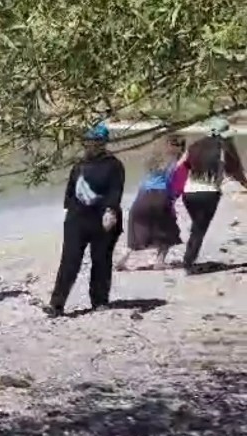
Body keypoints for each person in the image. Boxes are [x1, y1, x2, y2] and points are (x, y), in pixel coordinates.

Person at [46, 123, 125, 317]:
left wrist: (111, 211)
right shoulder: (79, 165)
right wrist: (69, 213)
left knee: (101, 261)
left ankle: (99, 301)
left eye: (95, 141)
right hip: (77, 220)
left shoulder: (114, 165)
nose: (90, 145)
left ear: (103, 143)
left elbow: (116, 190)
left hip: (104, 219)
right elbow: (70, 193)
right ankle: (57, 304)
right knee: (69, 261)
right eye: (87, 141)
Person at [180, 117, 247, 274]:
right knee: (199, 229)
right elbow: (235, 171)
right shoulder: (224, 148)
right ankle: (188, 263)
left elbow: (182, 165)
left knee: (197, 227)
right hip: (209, 193)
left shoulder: (195, 146)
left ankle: (189, 260)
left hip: (188, 192)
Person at [115, 135, 186, 272]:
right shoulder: (174, 162)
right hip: (160, 196)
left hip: (142, 195)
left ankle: (123, 259)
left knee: (137, 228)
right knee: (168, 229)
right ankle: (159, 262)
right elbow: (175, 182)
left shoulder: (153, 161)